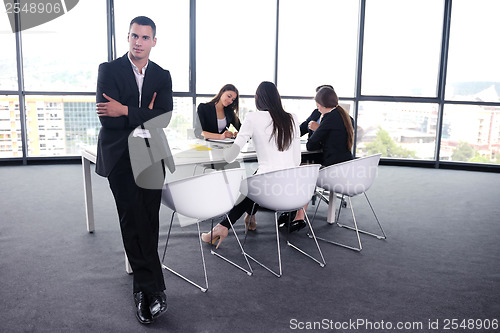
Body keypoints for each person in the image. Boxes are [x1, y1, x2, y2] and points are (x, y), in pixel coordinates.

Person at [95, 16, 173, 325]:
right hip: (120, 154)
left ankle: (147, 287)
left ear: (154, 41)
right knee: (132, 220)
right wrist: (145, 113)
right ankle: (149, 289)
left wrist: (126, 109)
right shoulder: (109, 70)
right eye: (133, 36)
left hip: (151, 154)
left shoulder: (162, 75)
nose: (138, 42)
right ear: (128, 38)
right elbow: (108, 120)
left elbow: (163, 118)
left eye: (144, 37)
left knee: (149, 221)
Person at [200, 81, 301, 248]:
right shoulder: (292, 118)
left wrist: (221, 153)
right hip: (292, 189)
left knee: (248, 185)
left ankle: (222, 227)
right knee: (254, 181)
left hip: (268, 190)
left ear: (257, 98)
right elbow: (296, 160)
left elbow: (232, 155)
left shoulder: (253, 117)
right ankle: (248, 218)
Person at [285, 86, 354, 230]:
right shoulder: (340, 114)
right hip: (346, 166)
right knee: (304, 166)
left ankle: (297, 211)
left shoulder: (328, 117)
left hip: (334, 169)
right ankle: (297, 211)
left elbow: (310, 145)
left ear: (321, 103)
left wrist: (318, 128)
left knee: (303, 169)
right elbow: (304, 127)